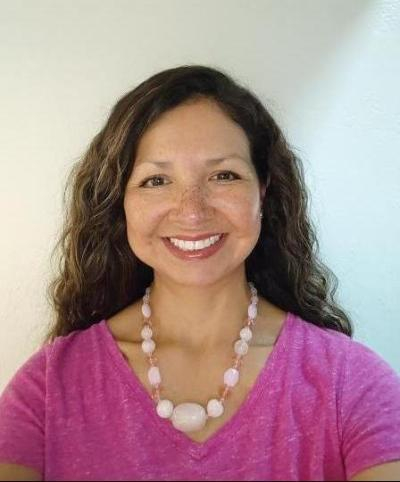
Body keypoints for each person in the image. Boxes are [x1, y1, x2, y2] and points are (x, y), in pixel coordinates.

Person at [0, 65, 399, 481]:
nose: (192, 210)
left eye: (223, 175)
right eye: (156, 180)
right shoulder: (47, 390)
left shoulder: (352, 385)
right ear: (120, 201)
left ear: (263, 189)